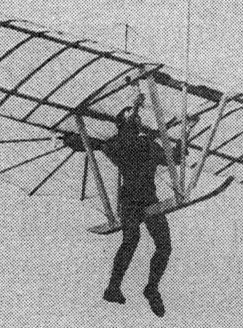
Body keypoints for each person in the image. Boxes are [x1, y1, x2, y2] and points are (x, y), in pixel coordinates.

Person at [63, 94, 185, 318]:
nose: (136, 122)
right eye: (133, 121)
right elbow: (171, 157)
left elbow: (173, 157)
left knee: (154, 243)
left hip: (140, 199)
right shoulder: (137, 144)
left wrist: (184, 135)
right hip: (137, 200)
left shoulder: (130, 145)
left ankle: (142, 288)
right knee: (142, 241)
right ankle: (123, 287)